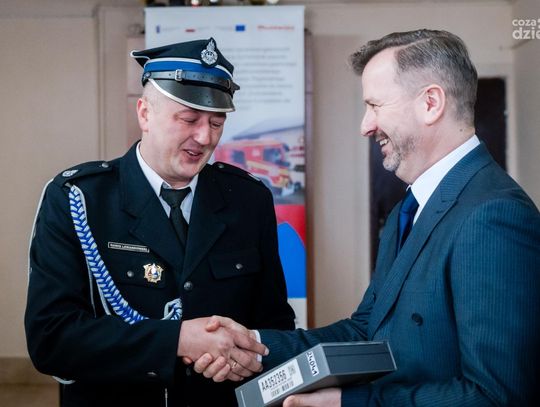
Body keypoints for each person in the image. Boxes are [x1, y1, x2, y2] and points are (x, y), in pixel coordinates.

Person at [193, 29, 540, 406]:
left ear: (431, 103)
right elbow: (365, 331)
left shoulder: (494, 215)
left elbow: (497, 396)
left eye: (375, 105)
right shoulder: (409, 209)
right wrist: (252, 344)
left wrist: (348, 403)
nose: (365, 126)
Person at [24, 38, 295, 407]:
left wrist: (248, 358)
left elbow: (274, 322)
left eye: (217, 122)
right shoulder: (79, 199)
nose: (204, 137)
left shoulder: (248, 200)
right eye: (189, 119)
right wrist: (178, 340)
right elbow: (52, 339)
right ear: (145, 114)